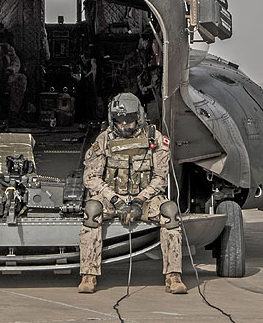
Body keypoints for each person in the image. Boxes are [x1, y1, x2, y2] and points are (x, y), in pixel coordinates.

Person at [78, 92, 187, 295]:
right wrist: (115, 200)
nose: (125, 126)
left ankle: (173, 275)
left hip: (145, 198)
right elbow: (91, 177)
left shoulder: (155, 138)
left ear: (140, 117)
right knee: (92, 210)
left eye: (130, 121)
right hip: (113, 197)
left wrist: (139, 200)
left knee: (170, 211)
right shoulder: (103, 140)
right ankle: (89, 274)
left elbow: (161, 178)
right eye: (120, 122)